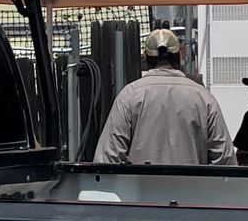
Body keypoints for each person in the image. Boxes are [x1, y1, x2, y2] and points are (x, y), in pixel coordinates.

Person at [94, 28, 236, 168]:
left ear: (146, 57)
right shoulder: (203, 98)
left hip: (140, 190)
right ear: (179, 54)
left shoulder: (130, 95)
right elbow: (225, 160)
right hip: (192, 189)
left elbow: (107, 159)